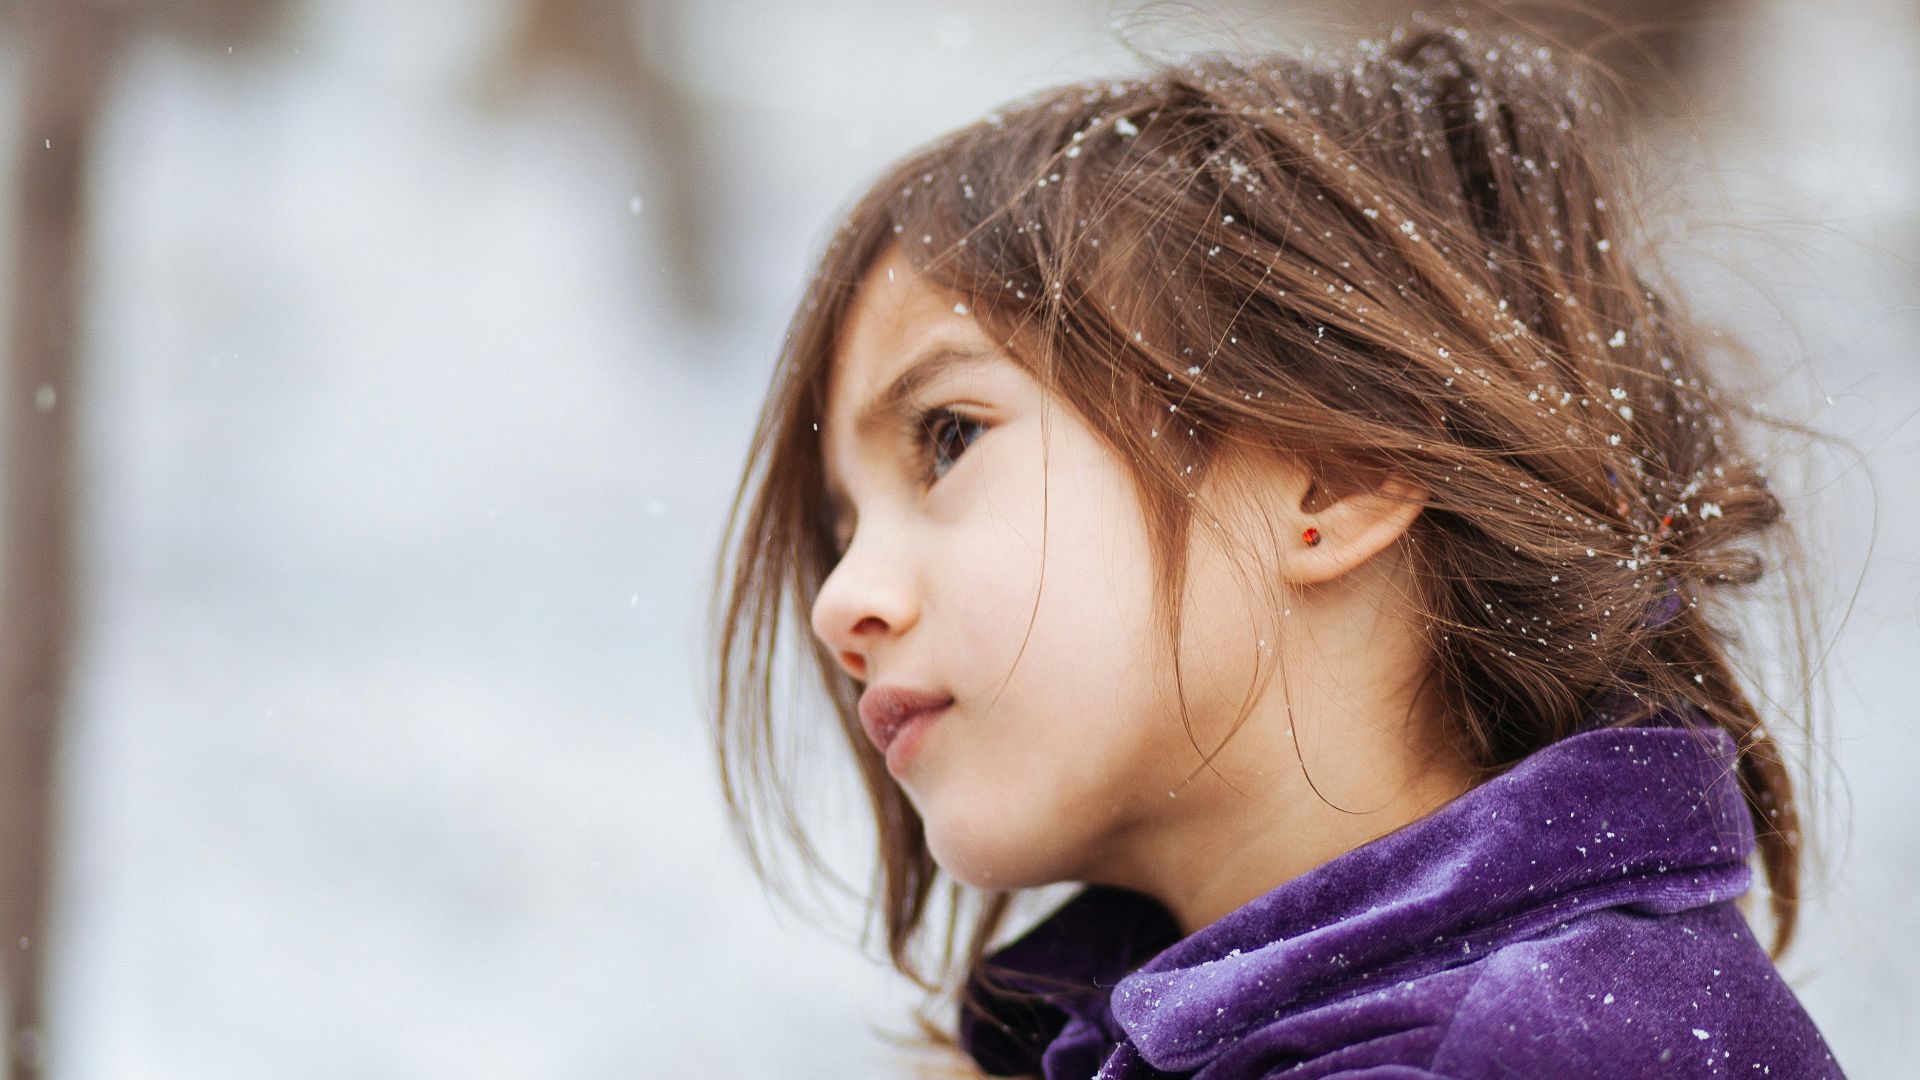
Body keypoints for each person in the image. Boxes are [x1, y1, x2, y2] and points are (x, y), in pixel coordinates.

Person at [709, 17, 1844, 1078]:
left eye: (949, 439)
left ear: (1333, 474)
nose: (839, 600)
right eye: (839, 529)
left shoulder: (1551, 1048)